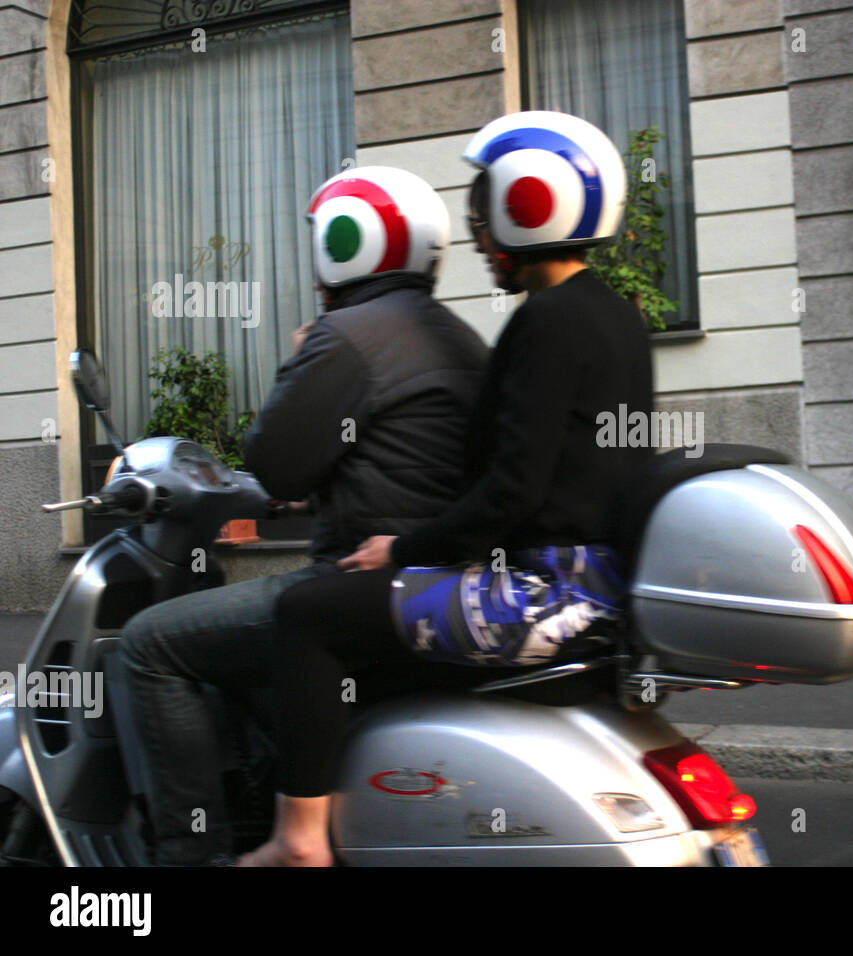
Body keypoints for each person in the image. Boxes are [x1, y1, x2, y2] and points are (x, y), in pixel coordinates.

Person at [238, 111, 654, 867]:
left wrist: (403, 547)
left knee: (307, 613)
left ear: (528, 204)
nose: (474, 230)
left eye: (483, 203)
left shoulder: (546, 323)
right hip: (594, 584)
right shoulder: (614, 317)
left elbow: (511, 494)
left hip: (542, 595)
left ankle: (297, 843)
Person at [117, 166, 488, 866]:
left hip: (354, 585)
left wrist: (301, 358)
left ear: (347, 244)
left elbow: (279, 459)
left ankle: (188, 854)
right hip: (435, 582)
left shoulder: (346, 335)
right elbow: (399, 457)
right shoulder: (457, 336)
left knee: (150, 645)